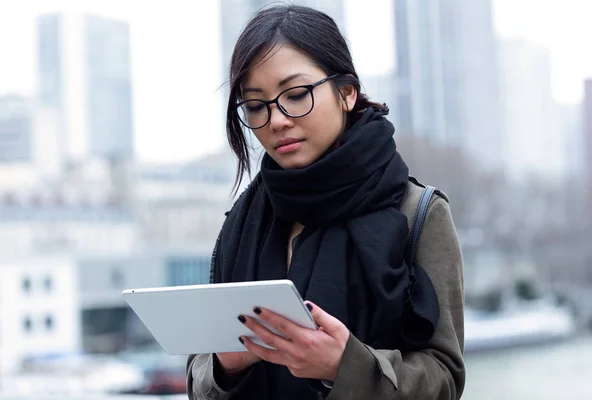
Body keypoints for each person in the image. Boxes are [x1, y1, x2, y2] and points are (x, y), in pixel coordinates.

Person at [186, 5, 465, 400]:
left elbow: (445, 380)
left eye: (296, 95)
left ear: (347, 92)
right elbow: (199, 377)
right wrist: (223, 367)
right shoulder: (243, 220)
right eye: (255, 105)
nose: (277, 120)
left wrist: (344, 366)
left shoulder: (417, 211)